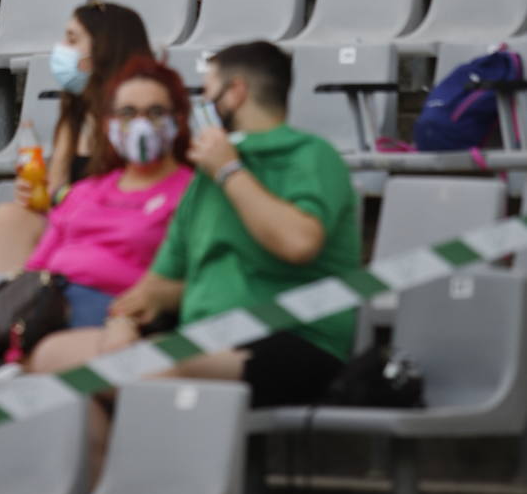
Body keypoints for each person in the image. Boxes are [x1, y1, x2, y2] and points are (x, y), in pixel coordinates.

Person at [108, 41, 361, 403]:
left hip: (295, 340)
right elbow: (156, 286)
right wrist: (123, 324)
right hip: (206, 338)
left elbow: (299, 243)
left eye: (208, 92)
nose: (201, 107)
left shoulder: (311, 155)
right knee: (65, 365)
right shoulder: (204, 179)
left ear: (235, 93)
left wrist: (230, 170)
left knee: (143, 373)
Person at [0, 55, 193, 378]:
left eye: (155, 112)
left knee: (50, 354)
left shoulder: (190, 191)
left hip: (110, 315)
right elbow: (36, 268)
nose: (140, 124)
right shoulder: (86, 191)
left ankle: (5, 383)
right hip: (46, 307)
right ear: (108, 123)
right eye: (127, 113)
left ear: (179, 119)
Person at [0, 1, 153, 291]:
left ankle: (10, 327)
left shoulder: (138, 118)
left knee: (9, 223)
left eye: (71, 39)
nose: (60, 48)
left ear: (104, 49)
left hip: (114, 235)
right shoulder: (77, 112)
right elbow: (55, 193)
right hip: (73, 230)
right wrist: (38, 193)